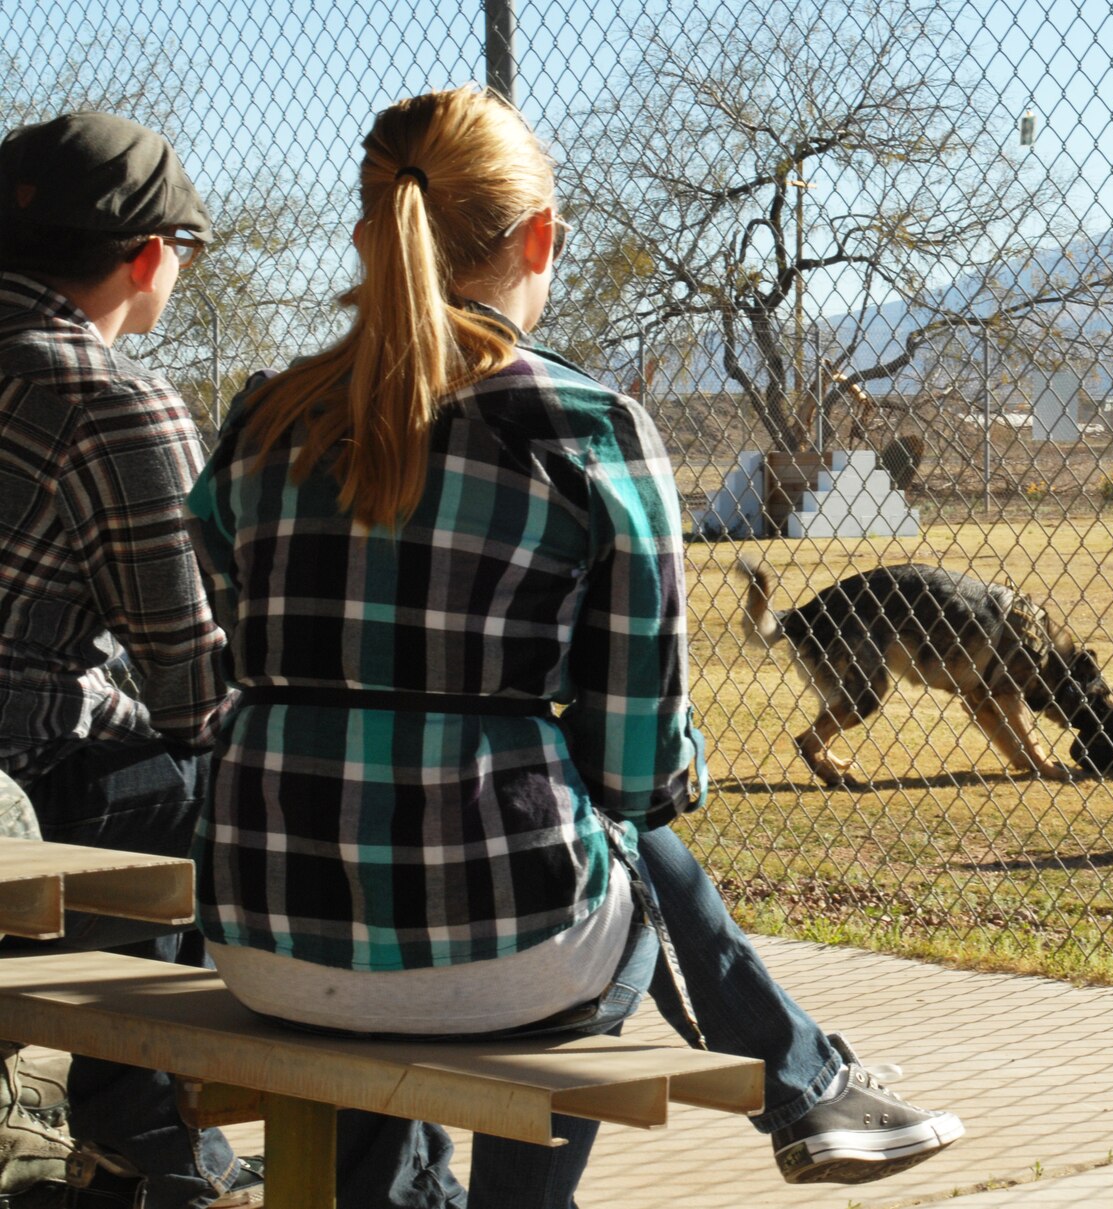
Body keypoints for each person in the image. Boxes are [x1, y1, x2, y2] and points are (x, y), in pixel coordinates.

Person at [185, 87, 959, 1207]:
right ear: (538, 236)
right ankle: (776, 1097)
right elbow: (638, 769)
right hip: (506, 949)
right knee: (609, 841)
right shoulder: (584, 430)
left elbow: (219, 644)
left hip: (260, 932)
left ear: (365, 225)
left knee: (414, 908)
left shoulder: (260, 420)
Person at [0, 111, 267, 1207]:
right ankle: (145, 1140)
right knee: (217, 791)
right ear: (153, 254)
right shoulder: (110, 400)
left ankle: (129, 1130)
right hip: (18, 785)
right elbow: (194, 684)